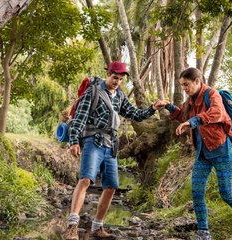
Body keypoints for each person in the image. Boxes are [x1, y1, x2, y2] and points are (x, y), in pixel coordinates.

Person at [63, 61, 166, 240]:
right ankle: (72, 226)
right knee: (86, 180)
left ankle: (97, 227)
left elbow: (135, 114)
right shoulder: (93, 91)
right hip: (92, 141)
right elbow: (80, 118)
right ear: (108, 74)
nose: (117, 82)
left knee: (111, 186)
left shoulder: (120, 96)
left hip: (111, 145)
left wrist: (152, 109)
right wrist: (73, 141)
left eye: (120, 79)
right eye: (114, 77)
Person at [163, 67, 232, 240]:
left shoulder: (212, 94)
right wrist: (167, 106)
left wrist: (193, 121)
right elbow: (182, 115)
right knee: (197, 193)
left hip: (221, 151)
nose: (184, 88)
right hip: (202, 154)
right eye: (182, 85)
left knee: (226, 194)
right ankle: (204, 233)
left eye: (186, 84)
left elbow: (217, 113)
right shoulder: (190, 101)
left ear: (197, 81)